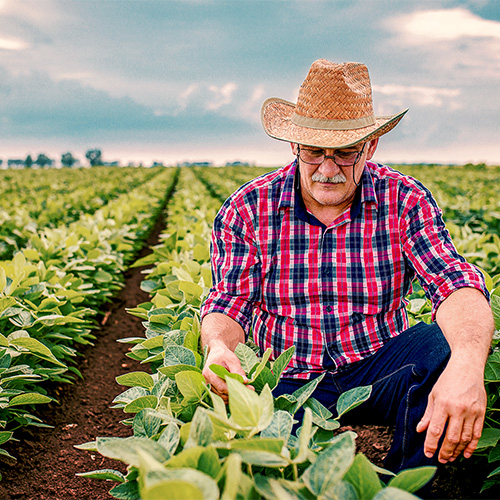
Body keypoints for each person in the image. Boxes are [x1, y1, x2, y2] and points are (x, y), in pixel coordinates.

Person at [200, 59, 495, 473]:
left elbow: (454, 283)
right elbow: (229, 303)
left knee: (442, 350)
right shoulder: (249, 207)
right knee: (278, 464)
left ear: (370, 147)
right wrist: (218, 347)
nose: (327, 169)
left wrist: (467, 365)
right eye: (314, 152)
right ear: (293, 147)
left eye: (344, 154)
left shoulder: (403, 199)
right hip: (288, 375)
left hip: (377, 364)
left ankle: (403, 484)